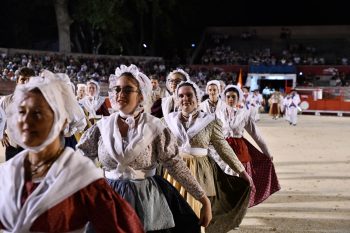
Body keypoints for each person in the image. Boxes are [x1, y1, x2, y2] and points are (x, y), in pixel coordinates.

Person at [0, 70, 144, 233]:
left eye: (37, 113)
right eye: (22, 111)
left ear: (61, 121)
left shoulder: (82, 179)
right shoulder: (8, 171)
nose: (25, 120)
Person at [77, 64, 212, 233]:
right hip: (109, 200)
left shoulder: (155, 128)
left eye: (127, 90)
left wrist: (203, 199)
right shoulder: (101, 127)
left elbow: (176, 165)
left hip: (146, 203)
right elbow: (79, 162)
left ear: (141, 95)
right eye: (117, 89)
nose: (120, 94)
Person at [163, 80, 252, 232]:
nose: (185, 99)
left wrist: (241, 171)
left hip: (201, 171)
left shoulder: (209, 121)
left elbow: (223, 148)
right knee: (174, 211)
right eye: (181, 96)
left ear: (197, 98)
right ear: (177, 99)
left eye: (189, 95)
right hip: (175, 171)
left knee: (199, 212)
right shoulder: (167, 121)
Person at [216, 85, 280, 207]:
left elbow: (257, 135)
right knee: (224, 181)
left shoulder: (244, 114)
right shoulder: (218, 114)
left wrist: (267, 153)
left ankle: (237, 209)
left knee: (238, 180)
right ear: (224, 98)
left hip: (240, 150)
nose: (230, 99)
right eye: (228, 96)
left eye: (233, 97)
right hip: (222, 150)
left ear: (238, 98)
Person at [0, 67, 35, 161]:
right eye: (23, 79)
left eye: (29, 80)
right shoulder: (6, 101)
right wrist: (1, 134)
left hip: (31, 149)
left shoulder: (39, 103)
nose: (25, 83)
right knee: (11, 175)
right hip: (12, 147)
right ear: (17, 81)